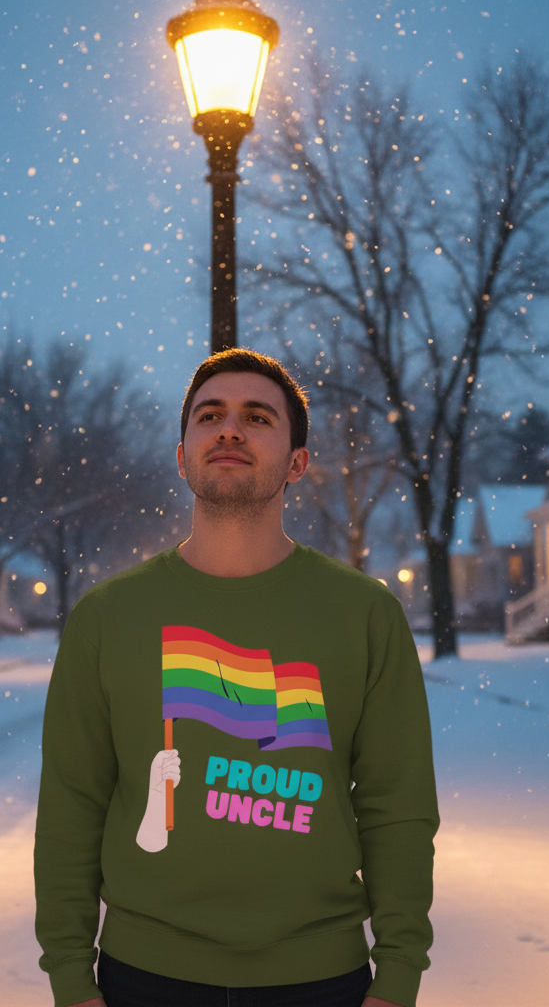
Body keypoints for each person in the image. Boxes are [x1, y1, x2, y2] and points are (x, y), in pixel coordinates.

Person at [34, 348, 439, 1007]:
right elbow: (70, 810)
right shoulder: (107, 618)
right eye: (209, 416)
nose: (229, 430)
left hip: (320, 978)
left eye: (257, 417)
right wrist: (71, 981)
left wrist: (397, 978)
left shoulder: (366, 615)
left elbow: (398, 809)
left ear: (298, 463)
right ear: (182, 454)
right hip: (142, 974)